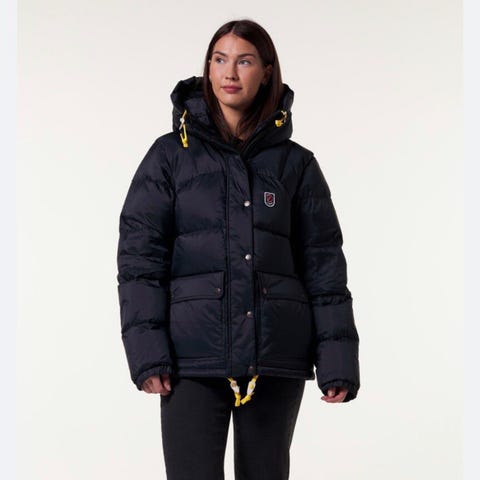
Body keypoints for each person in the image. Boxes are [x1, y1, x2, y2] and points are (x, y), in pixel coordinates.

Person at [117, 18, 360, 480]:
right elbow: (139, 261)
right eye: (219, 59)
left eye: (244, 61)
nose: (230, 72)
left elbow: (324, 266)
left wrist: (337, 361)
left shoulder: (296, 165)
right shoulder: (169, 157)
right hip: (192, 356)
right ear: (208, 68)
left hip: (275, 355)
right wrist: (148, 352)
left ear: (266, 72)